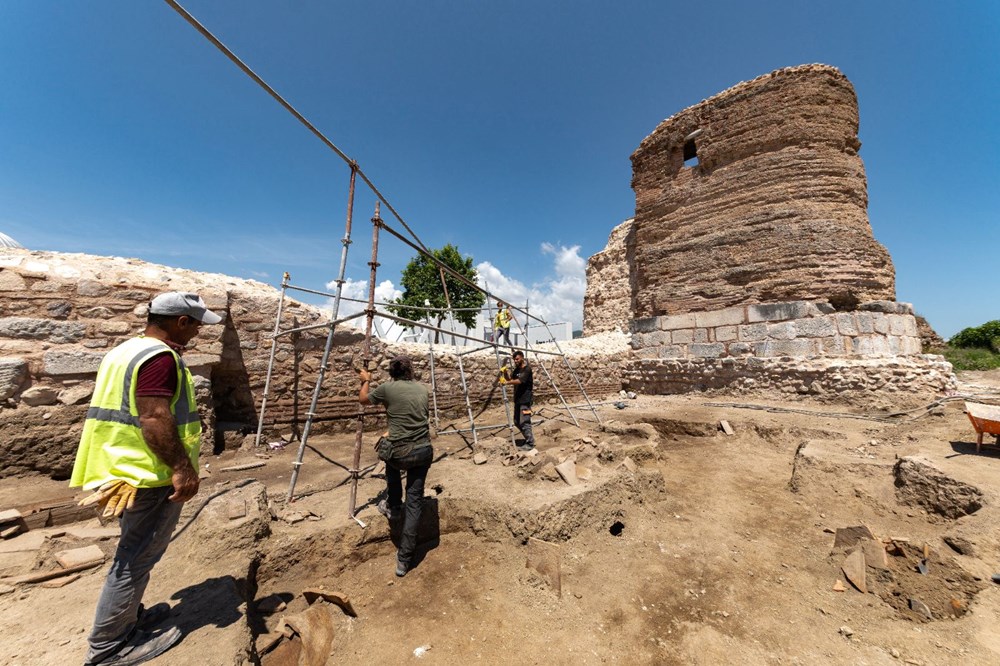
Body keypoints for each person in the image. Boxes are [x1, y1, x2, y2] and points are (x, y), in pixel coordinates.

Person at [71, 292, 221, 666]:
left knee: (133, 553)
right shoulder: (160, 358)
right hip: (150, 475)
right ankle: (109, 647)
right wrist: (183, 468)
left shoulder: (125, 351)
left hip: (124, 467)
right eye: (197, 323)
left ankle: (128, 619)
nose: (200, 330)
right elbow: (153, 417)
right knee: (135, 559)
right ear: (180, 322)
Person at [358, 354, 433, 577]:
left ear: (392, 372)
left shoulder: (387, 389)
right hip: (423, 451)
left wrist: (366, 380)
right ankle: (404, 560)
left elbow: (363, 400)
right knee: (415, 501)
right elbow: (413, 419)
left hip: (401, 454)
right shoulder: (422, 390)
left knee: (387, 455)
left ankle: (393, 505)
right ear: (411, 371)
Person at [507, 350, 535, 451]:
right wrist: (505, 372)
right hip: (518, 400)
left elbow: (519, 381)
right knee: (516, 422)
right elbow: (510, 379)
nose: (515, 361)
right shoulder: (516, 370)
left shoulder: (527, 369)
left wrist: (506, 382)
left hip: (525, 400)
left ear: (522, 358)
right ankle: (527, 439)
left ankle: (530, 443)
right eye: (514, 359)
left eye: (517, 359)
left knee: (525, 421)